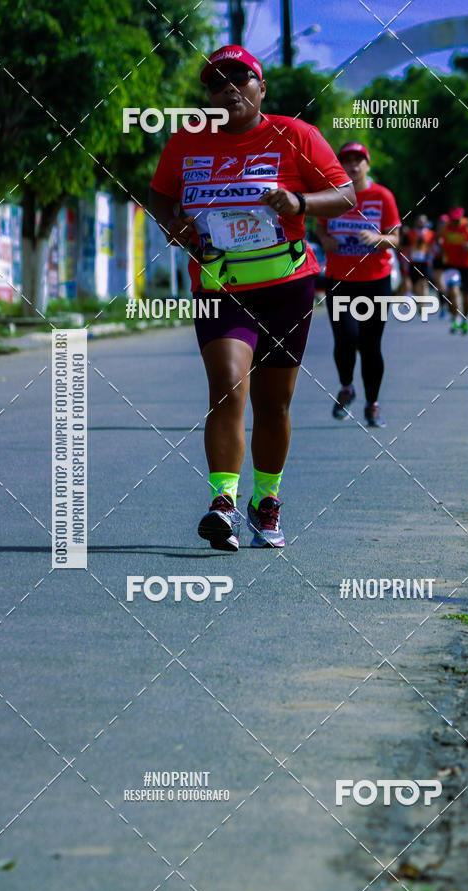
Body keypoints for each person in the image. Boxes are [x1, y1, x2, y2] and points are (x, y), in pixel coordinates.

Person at [149, 45, 355, 551]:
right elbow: (160, 193)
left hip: (286, 286)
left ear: (261, 88)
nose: (228, 90)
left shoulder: (295, 134)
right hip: (219, 284)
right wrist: (171, 222)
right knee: (226, 385)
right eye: (217, 83)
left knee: (273, 403)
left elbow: (345, 193)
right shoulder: (186, 140)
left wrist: (300, 201)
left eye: (240, 79)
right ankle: (223, 503)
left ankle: (266, 502)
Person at [315, 141, 401, 427]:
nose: (353, 165)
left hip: (375, 281)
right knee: (346, 338)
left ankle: (372, 404)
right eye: (347, 161)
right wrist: (325, 240)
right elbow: (320, 227)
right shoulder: (332, 195)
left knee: (370, 345)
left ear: (367, 163)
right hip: (340, 280)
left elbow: (396, 238)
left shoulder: (382, 196)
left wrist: (378, 239)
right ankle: (346, 386)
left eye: (358, 160)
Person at [438, 206, 468, 334]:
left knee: (466, 296)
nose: (455, 222)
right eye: (453, 220)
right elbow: (438, 239)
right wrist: (441, 243)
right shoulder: (445, 226)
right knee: (453, 291)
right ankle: (455, 318)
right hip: (451, 264)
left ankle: (464, 319)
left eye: (457, 220)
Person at [404, 214, 435, 297]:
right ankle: (418, 303)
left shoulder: (431, 234)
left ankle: (423, 307)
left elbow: (434, 248)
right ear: (416, 222)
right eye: (420, 221)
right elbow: (403, 247)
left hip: (425, 263)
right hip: (413, 263)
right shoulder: (410, 233)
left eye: (423, 221)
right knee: (414, 286)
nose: (421, 223)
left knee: (424, 283)